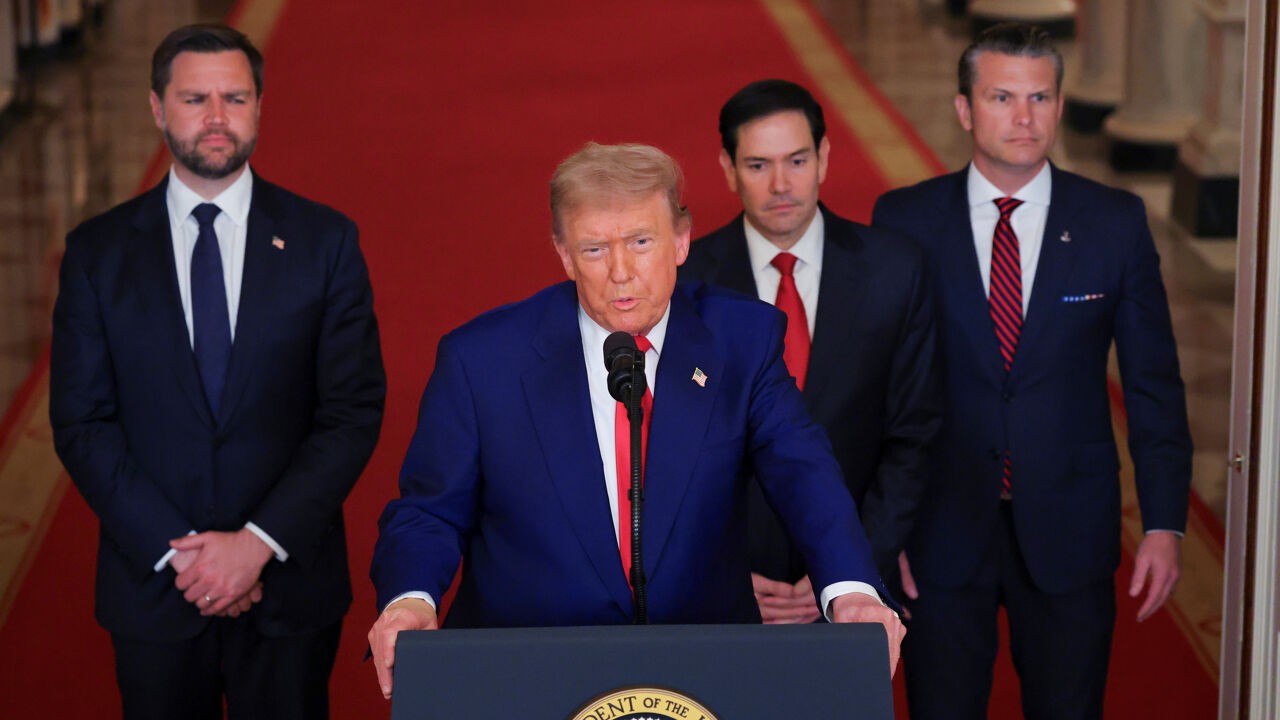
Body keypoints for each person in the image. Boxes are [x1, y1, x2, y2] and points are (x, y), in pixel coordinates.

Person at [367, 142, 905, 700]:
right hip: (526, 674)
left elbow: (804, 474)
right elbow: (429, 511)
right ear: (564, 254)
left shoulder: (742, 341)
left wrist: (851, 589)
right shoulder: (482, 360)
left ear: (680, 240)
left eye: (641, 242)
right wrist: (409, 600)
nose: (621, 272)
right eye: (595, 248)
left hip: (705, 676)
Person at [49, 23, 385, 720]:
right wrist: (188, 560)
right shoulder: (97, 253)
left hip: (291, 592)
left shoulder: (325, 242)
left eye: (234, 98)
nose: (215, 118)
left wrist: (256, 546)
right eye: (194, 98)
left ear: (259, 106)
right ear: (155, 107)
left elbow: (350, 412)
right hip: (154, 593)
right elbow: (83, 423)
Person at [871, 23, 1192, 720]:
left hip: (1070, 531)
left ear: (1058, 103)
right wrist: (880, 529)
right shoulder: (903, 220)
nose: (1024, 117)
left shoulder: (1115, 222)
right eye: (1002, 97)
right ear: (964, 109)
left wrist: (1165, 523)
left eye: (1040, 97)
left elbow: (1154, 385)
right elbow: (880, 390)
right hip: (938, 533)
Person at [680, 79, 940, 623]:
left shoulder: (896, 269)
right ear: (727, 169)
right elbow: (668, 450)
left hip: (858, 590)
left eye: (796, 160)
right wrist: (720, 574)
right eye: (757, 165)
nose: (780, 184)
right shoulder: (686, 286)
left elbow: (913, 437)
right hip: (728, 591)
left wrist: (850, 571)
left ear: (823, 157)